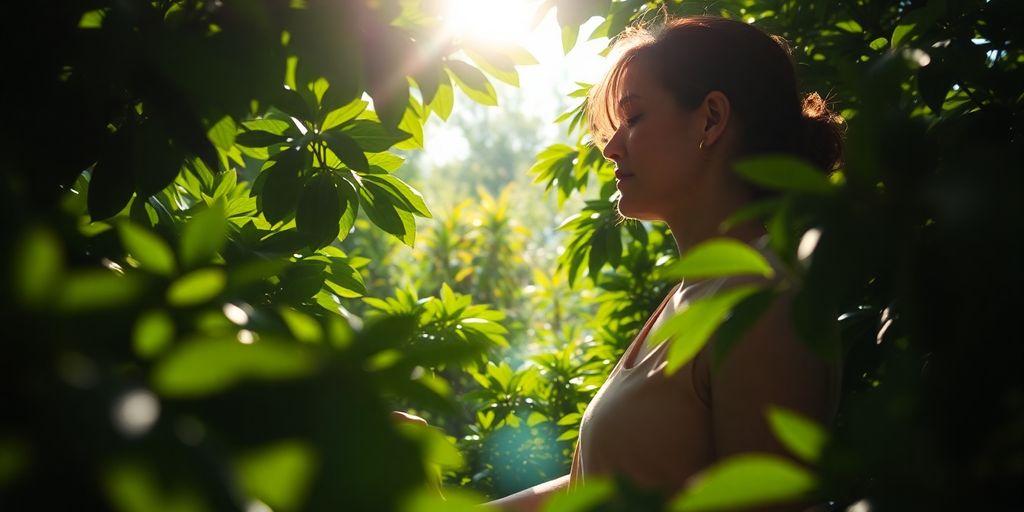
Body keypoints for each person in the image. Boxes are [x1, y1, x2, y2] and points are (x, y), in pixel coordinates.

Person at [398, 14, 845, 512]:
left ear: (711, 119)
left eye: (633, 118)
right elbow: (604, 488)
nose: (610, 148)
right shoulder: (699, 292)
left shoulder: (763, 303)